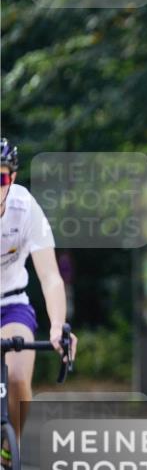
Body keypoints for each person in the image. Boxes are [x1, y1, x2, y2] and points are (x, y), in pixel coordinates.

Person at [0, 137, 78, 443]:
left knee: (18, 379)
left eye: (1, 179)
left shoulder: (24, 207)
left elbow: (50, 277)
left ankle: (9, 450)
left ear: (13, 178)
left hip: (11, 304)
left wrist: (58, 327)